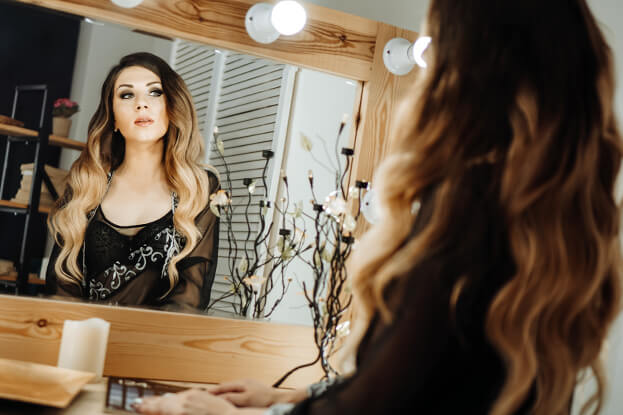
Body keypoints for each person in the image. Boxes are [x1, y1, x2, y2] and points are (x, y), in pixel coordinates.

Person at [136, 0, 623, 413]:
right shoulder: (550, 229)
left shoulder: (471, 212)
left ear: (466, 76)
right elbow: (433, 386)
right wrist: (289, 397)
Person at [46, 52, 220, 312]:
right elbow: (62, 290)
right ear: (113, 116)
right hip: (83, 341)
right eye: (126, 95)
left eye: (155, 93)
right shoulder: (86, 184)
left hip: (157, 347)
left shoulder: (200, 188)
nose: (141, 104)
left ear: (172, 106)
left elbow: (189, 299)